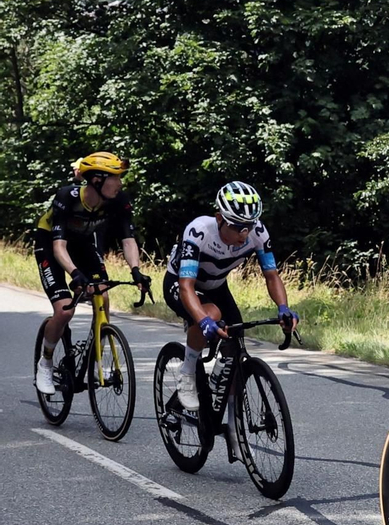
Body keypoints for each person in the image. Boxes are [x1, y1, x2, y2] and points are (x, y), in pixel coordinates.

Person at [160, 182, 297, 410]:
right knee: (211, 314)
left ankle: (232, 423)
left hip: (216, 285)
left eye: (249, 226)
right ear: (220, 218)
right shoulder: (199, 231)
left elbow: (271, 275)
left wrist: (283, 308)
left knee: (235, 338)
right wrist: (203, 321)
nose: (244, 234)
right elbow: (186, 286)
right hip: (182, 283)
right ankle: (187, 375)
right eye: (237, 227)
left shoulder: (258, 234)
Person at [34, 152, 150, 393]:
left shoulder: (118, 200)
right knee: (65, 309)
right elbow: (58, 247)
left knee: (103, 296)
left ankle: (96, 362)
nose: (120, 183)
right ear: (97, 180)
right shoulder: (68, 197)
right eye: (115, 178)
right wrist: (75, 274)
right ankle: (45, 363)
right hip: (51, 244)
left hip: (83, 244)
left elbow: (128, 240)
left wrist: (136, 270)